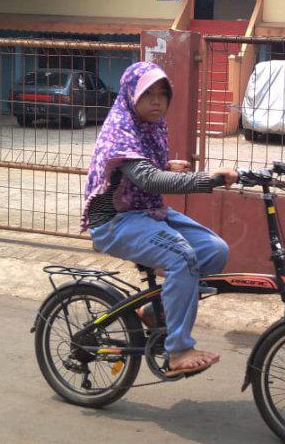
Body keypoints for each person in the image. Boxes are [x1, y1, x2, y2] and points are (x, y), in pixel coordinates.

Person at [81, 61, 238, 377]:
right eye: (147, 93)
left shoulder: (151, 128)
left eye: (163, 94)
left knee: (214, 250)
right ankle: (178, 350)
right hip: (114, 222)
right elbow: (147, 179)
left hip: (145, 213)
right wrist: (207, 180)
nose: (157, 101)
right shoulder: (119, 131)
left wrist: (165, 166)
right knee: (182, 256)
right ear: (130, 94)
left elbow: (146, 172)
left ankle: (155, 311)